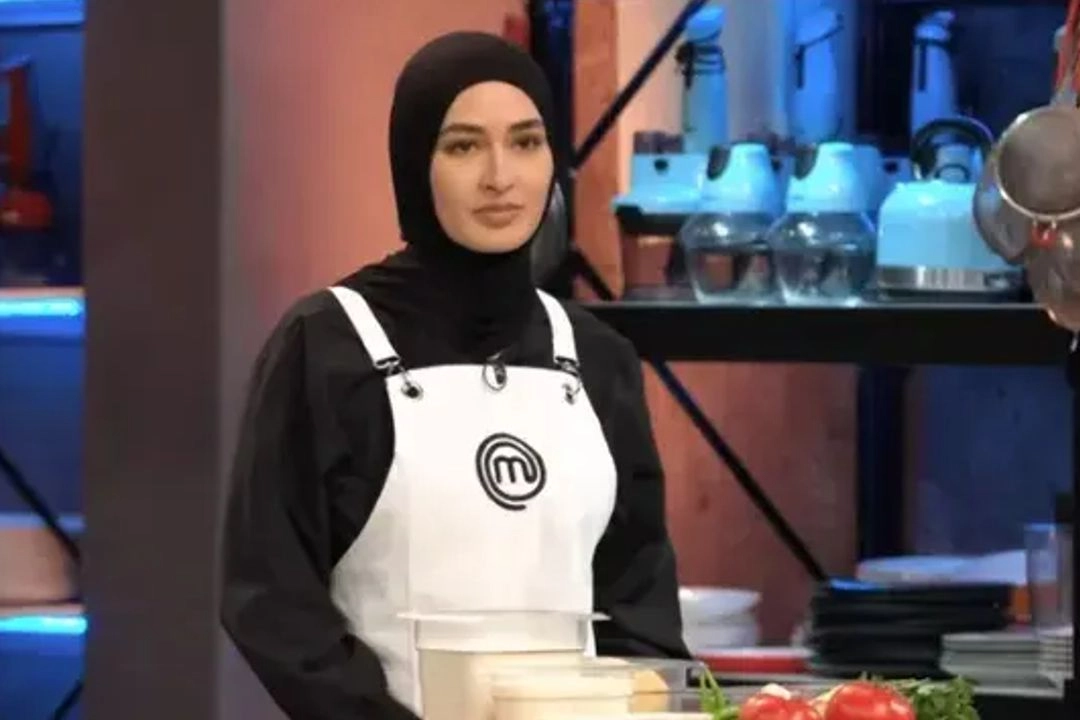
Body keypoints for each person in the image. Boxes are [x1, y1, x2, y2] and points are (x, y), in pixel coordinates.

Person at [220, 31, 688, 720]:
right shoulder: (326, 345)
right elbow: (271, 600)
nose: (501, 176)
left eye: (526, 142)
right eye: (464, 146)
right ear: (415, 165)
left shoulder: (597, 357)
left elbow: (638, 602)